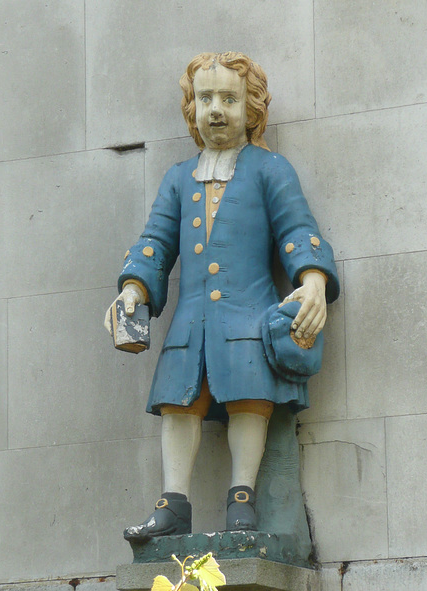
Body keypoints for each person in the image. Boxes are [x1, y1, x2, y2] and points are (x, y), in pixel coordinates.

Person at [104, 52, 339, 540]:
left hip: (248, 318)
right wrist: (133, 287)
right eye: (205, 98)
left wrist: (313, 277)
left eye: (229, 98)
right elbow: (154, 243)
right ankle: (172, 505)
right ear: (192, 107)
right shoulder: (177, 178)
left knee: (249, 400)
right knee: (178, 404)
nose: (216, 109)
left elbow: (298, 230)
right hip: (190, 321)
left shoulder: (270, 170)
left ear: (250, 109)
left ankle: (241, 501)